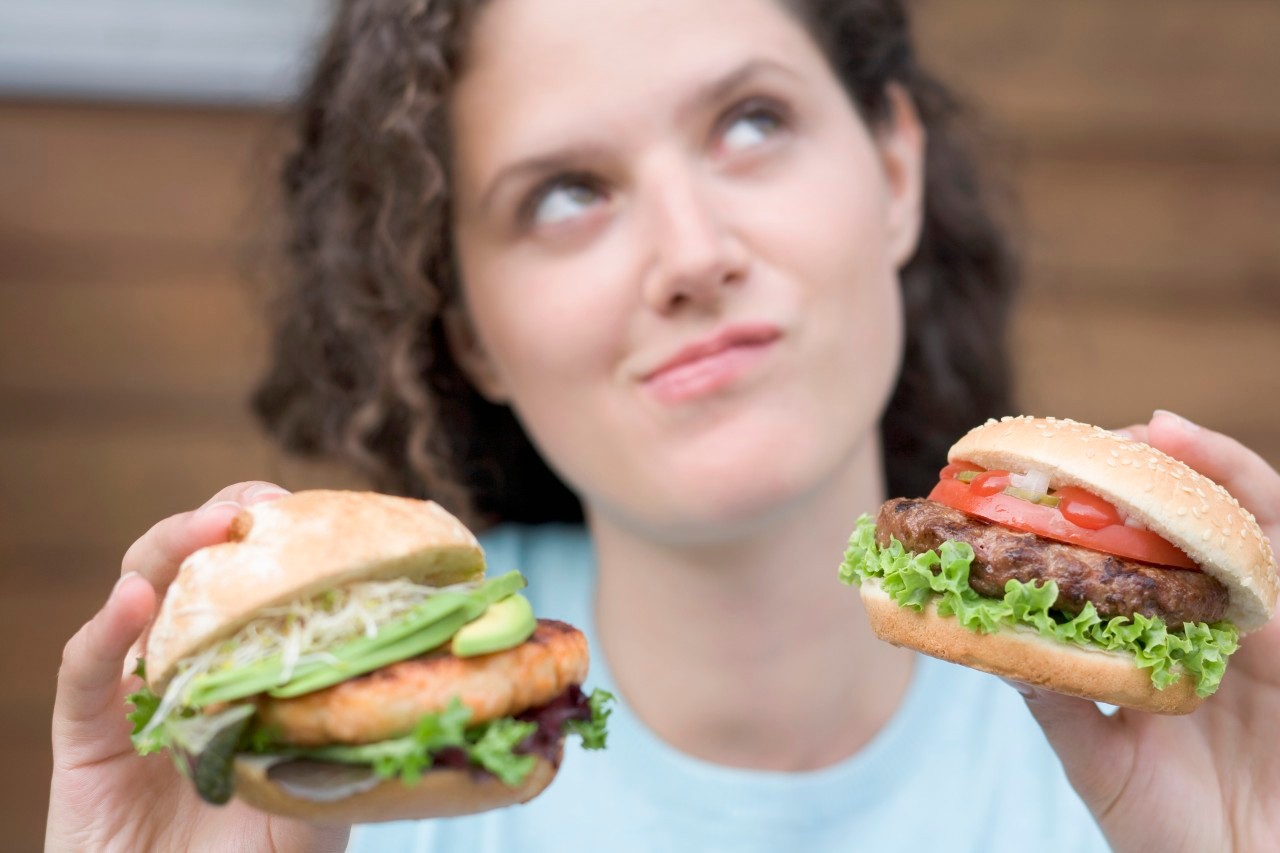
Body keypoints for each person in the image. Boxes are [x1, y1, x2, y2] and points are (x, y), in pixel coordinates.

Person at [46, 0, 1280, 850]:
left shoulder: (1193, 751)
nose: (690, 255)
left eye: (750, 120)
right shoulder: (313, 779)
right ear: (464, 325)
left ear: (892, 173)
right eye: (566, 194)